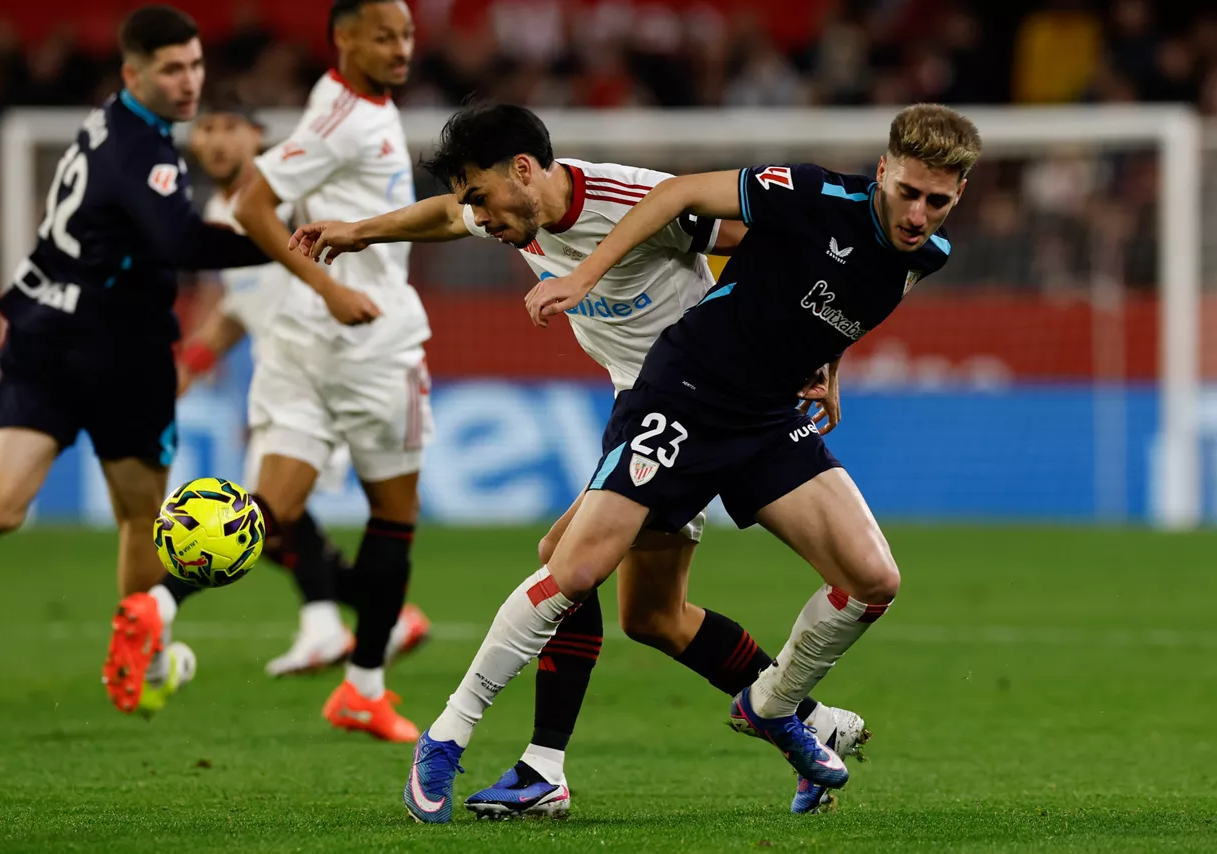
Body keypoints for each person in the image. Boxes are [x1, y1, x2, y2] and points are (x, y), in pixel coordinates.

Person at [400, 102, 982, 823]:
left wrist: (828, 365)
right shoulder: (807, 193)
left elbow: (845, 296)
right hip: (683, 394)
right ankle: (448, 736)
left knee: (872, 581)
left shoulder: (925, 256)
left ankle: (775, 709)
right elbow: (673, 195)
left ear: (957, 196)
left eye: (939, 201)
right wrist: (583, 279)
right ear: (884, 170)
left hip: (766, 417)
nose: (920, 213)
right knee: (571, 569)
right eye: (909, 192)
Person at [291, 103, 867, 818]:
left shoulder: (634, 202)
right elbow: (444, 217)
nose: (480, 217)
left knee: (564, 558)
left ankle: (525, 762)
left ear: (524, 170)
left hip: (697, 406)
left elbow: (775, 243)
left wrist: (815, 351)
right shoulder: (512, 207)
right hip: (658, 408)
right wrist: (358, 231)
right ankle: (806, 724)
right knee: (654, 616)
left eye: (482, 196)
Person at [0, 5, 363, 717]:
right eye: (173, 68)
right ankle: (147, 653)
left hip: (40, 329)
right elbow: (179, 243)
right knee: (141, 515)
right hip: (117, 351)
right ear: (134, 73)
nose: (190, 80)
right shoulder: (143, 147)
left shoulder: (106, 126)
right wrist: (281, 242)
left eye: (196, 64)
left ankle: (147, 656)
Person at [225, 0, 430, 742]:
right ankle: (363, 686)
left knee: (275, 516)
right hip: (366, 341)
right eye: (384, 35)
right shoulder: (346, 116)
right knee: (390, 518)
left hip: (339, 338)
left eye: (407, 33)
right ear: (342, 36)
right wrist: (329, 286)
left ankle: (157, 607)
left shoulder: (348, 100)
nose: (401, 47)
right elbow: (253, 203)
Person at [180, 102, 428, 678]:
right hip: (282, 378)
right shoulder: (219, 209)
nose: (216, 141)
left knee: (261, 520)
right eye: (207, 128)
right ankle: (360, 620)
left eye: (229, 127)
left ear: (258, 135)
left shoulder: (288, 193)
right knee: (266, 525)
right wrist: (191, 362)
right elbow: (238, 309)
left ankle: (338, 624)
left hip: (332, 371)